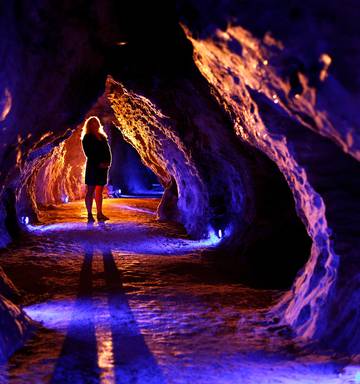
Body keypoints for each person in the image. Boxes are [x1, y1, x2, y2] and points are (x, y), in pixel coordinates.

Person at [81, 116, 112, 222]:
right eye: (92, 123)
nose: (94, 124)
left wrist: (107, 162)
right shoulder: (87, 137)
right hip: (93, 167)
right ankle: (90, 214)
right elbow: (88, 153)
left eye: (96, 123)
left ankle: (99, 214)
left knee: (99, 191)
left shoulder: (102, 137)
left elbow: (108, 151)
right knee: (90, 191)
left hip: (103, 168)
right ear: (89, 125)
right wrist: (99, 163)